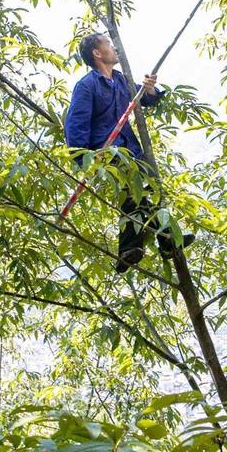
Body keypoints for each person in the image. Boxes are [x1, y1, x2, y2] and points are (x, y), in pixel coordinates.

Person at [64, 32, 195, 272]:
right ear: (97, 53)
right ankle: (130, 248)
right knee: (132, 192)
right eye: (108, 44)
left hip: (131, 148)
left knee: (153, 190)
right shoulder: (87, 86)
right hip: (107, 153)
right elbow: (75, 127)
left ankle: (165, 241)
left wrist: (150, 89)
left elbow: (146, 99)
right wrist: (86, 161)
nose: (114, 48)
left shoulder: (121, 80)